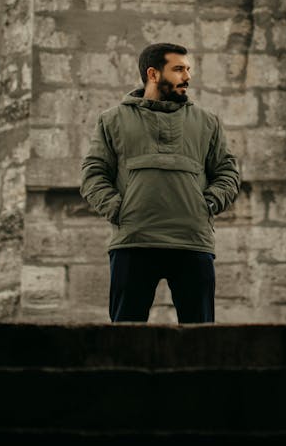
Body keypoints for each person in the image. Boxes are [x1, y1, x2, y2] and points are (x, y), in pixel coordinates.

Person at [80, 42, 240, 323]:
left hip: (192, 241)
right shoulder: (111, 120)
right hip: (134, 239)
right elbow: (93, 173)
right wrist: (119, 209)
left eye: (188, 69)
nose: (187, 77)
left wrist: (207, 204)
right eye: (178, 69)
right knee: (126, 338)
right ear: (153, 74)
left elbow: (228, 173)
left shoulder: (207, 122)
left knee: (200, 340)